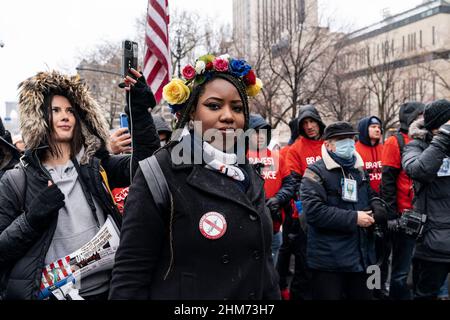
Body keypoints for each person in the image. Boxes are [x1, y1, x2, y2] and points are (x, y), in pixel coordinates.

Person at [109, 54, 280, 300]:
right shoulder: (159, 173)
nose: (228, 116)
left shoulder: (250, 174)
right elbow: (130, 275)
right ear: (191, 113)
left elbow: (264, 268)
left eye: (237, 108)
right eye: (214, 105)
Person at [0, 68, 159, 300]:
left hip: (108, 291)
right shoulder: (16, 180)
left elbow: (145, 168)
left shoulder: (95, 166)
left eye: (70, 110)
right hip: (50, 295)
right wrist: (31, 220)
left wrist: (140, 114)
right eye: (55, 110)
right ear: (38, 118)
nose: (65, 116)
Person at [300, 121, 387, 300]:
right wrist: (354, 218)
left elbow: (371, 193)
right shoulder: (315, 172)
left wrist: (378, 205)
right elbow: (314, 212)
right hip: (330, 261)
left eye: (350, 138)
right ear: (328, 144)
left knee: (368, 296)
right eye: (341, 139)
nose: (348, 143)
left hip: (364, 257)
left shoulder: (359, 169)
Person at [402, 99, 450, 299]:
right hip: (433, 243)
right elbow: (419, 170)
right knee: (425, 295)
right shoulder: (416, 146)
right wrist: (443, 139)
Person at [281, 105, 326, 300]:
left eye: (312, 121)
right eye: (305, 123)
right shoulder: (295, 149)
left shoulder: (328, 144)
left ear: (319, 122)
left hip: (331, 212)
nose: (309, 126)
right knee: (304, 265)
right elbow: (294, 182)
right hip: (305, 215)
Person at [380, 102, 424, 300]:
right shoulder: (395, 141)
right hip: (405, 216)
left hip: (426, 214)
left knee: (422, 268)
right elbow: (387, 181)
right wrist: (391, 215)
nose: (423, 119)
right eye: (419, 115)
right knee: (400, 272)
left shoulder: (427, 139)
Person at [247, 113, 292, 265]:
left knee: (271, 267)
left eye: (263, 132)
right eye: (255, 132)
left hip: (274, 222)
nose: (260, 136)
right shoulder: (240, 157)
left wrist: (278, 199)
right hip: (249, 223)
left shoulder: (277, 157)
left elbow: (289, 184)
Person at [356, 116, 383, 194]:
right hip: (364, 196)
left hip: (383, 196)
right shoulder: (355, 150)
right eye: (373, 127)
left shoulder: (384, 149)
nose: (377, 130)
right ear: (364, 129)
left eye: (379, 127)